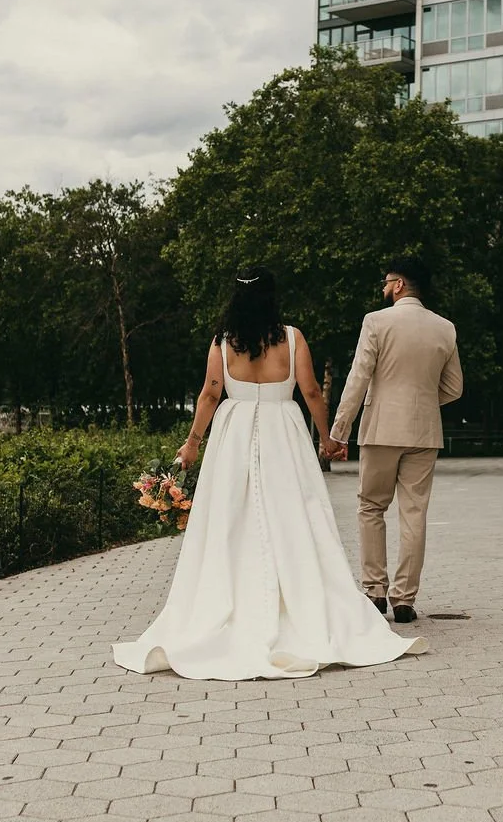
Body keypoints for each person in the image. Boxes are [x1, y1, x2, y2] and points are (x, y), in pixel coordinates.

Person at [112, 269, 426, 681]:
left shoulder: (223, 342)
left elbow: (209, 393)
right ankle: (299, 601)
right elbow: (312, 390)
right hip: (284, 433)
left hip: (232, 433)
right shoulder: (293, 338)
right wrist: (329, 439)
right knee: (293, 516)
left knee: (232, 521)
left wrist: (192, 443)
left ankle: (232, 601)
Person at [330, 257, 463, 625]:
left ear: (400, 284)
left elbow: (358, 378)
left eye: (386, 281)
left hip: (381, 428)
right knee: (414, 513)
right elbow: (454, 388)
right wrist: (420, 400)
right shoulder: (445, 328)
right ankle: (404, 600)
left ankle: (375, 592)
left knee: (371, 506)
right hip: (424, 431)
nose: (383, 287)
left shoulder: (376, 321)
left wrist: (338, 431)